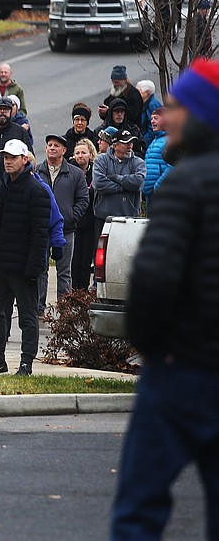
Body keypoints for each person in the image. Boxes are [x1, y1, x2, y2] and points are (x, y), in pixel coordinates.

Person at [110, 58, 219, 538]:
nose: (164, 117)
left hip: (181, 372)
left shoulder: (182, 185)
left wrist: (151, 348)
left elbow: (151, 283)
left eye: (175, 108)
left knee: (139, 506)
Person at [0, 139, 50, 376]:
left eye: (13, 157)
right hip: (1, 265)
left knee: (27, 316)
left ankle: (26, 363)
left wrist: (33, 269)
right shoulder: (2, 186)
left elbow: (40, 236)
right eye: (6, 157)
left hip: (24, 268)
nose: (7, 161)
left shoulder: (38, 191)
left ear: (25, 160)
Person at [35, 135, 89, 307]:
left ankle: (64, 310)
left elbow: (83, 199)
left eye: (56, 146)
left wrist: (72, 216)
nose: (51, 148)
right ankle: (39, 308)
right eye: (49, 145)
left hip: (66, 230)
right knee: (40, 270)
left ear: (64, 151)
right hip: (42, 230)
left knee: (64, 272)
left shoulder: (75, 174)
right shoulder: (37, 172)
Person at [92, 130, 146, 243]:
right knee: (101, 258)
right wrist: (125, 187)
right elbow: (99, 183)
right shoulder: (101, 160)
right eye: (126, 143)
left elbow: (138, 182)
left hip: (129, 220)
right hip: (104, 220)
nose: (130, 146)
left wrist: (116, 178)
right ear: (115, 145)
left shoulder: (138, 162)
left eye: (131, 143)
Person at [69, 139, 98, 291]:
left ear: (90, 154)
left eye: (84, 153)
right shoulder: (70, 171)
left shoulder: (94, 171)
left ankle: (83, 291)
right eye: (78, 153)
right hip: (75, 221)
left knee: (86, 259)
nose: (81, 156)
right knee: (75, 259)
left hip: (90, 220)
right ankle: (73, 290)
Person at [98, 65, 144, 129]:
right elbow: (107, 104)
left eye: (116, 82)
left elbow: (133, 115)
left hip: (129, 129)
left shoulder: (133, 94)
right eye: (113, 82)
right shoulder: (116, 92)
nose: (114, 85)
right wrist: (103, 113)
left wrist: (109, 112)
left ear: (124, 80)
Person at [142, 107, 171, 200]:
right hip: (151, 196)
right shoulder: (155, 141)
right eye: (151, 119)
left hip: (161, 195)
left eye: (156, 118)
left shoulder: (169, 141)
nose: (152, 121)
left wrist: (158, 187)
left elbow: (173, 166)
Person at [135, 79, 162, 145]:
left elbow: (152, 129)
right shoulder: (145, 104)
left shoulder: (152, 105)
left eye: (139, 92)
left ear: (147, 92)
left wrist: (143, 143)